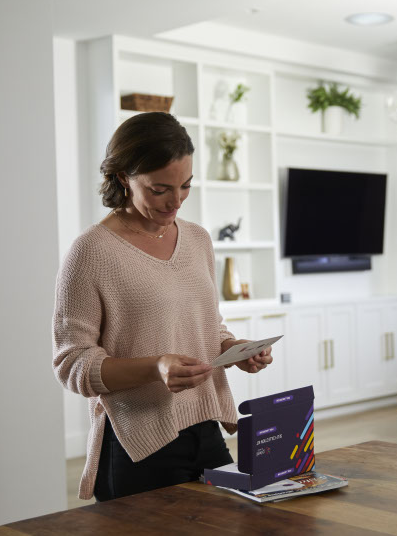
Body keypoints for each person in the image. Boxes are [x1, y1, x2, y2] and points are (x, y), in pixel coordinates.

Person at [52, 112, 273, 501]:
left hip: (206, 427)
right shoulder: (90, 252)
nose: (175, 201)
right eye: (159, 189)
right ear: (123, 178)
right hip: (136, 444)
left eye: (185, 186)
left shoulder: (198, 239)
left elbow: (208, 326)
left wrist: (233, 350)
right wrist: (155, 367)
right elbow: (72, 365)